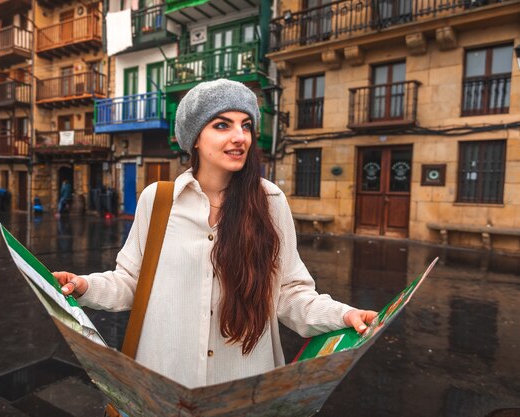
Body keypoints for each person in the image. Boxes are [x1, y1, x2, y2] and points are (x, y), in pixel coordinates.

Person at [53, 79, 376, 389]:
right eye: (222, 125)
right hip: (163, 378)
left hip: (243, 382)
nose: (240, 137)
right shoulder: (159, 199)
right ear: (195, 138)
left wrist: (343, 314)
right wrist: (84, 286)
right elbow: (132, 283)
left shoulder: (271, 202)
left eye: (245, 125)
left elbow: (288, 292)